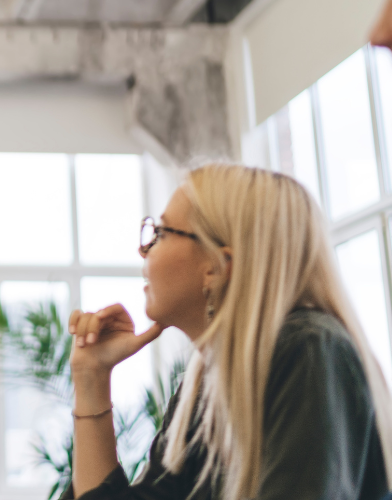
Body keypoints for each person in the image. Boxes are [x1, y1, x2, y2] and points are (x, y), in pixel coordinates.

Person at [64, 164, 392, 499]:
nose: (143, 249)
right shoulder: (205, 387)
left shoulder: (308, 350)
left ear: (217, 267)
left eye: (160, 233)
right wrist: (91, 377)